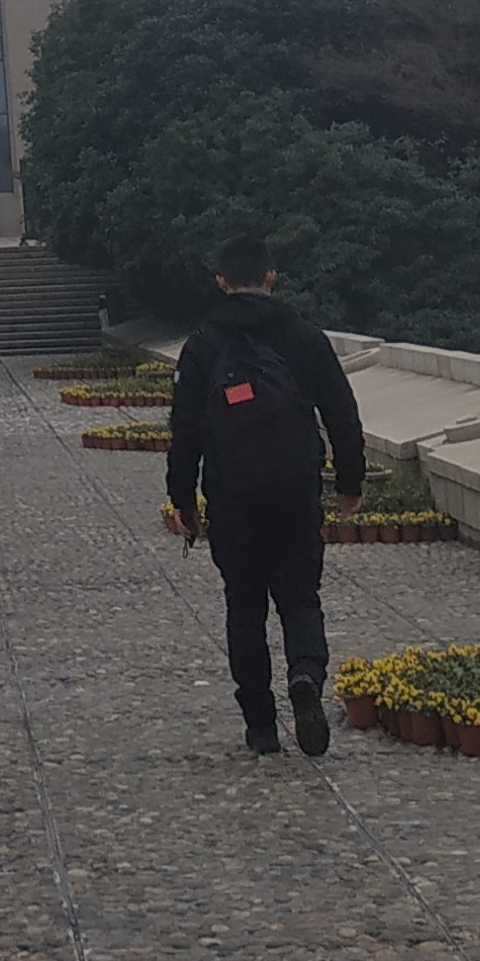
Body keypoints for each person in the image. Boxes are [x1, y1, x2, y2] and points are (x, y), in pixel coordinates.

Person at [159, 235, 367, 756]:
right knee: (300, 596)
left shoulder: (202, 344)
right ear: (271, 277)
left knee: (244, 607)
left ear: (222, 282)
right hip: (295, 489)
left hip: (233, 496)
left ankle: (260, 723)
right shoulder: (302, 336)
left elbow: (184, 430)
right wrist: (349, 483)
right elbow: (341, 411)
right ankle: (305, 676)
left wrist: (182, 499)